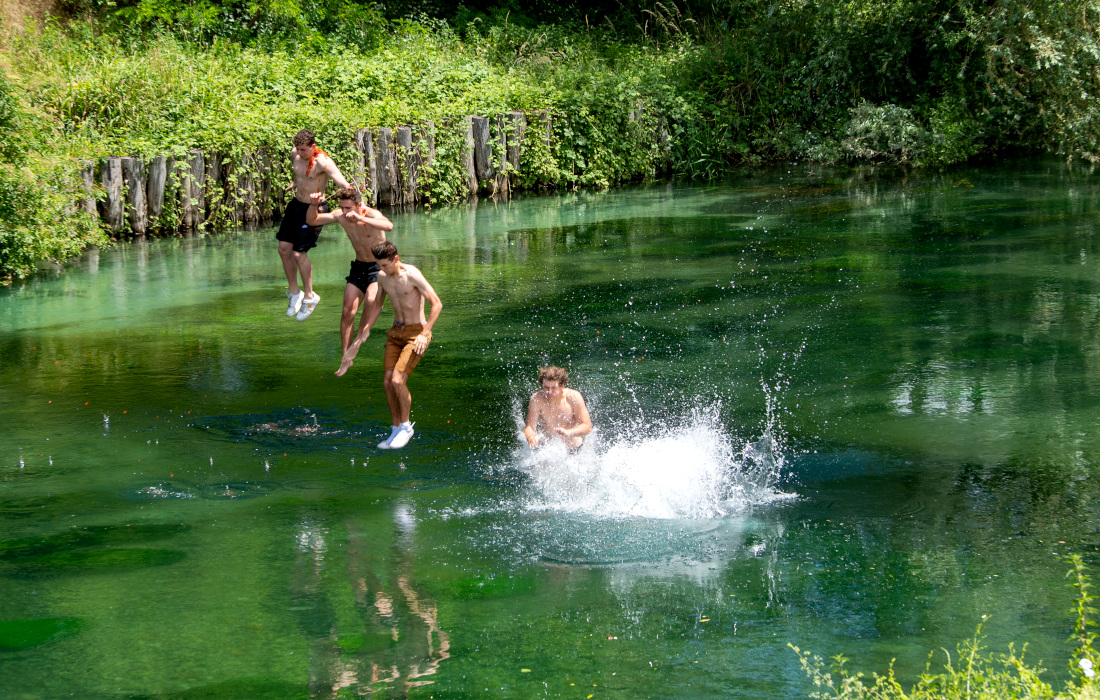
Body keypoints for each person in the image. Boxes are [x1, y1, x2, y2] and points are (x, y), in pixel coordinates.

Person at [342, 241, 442, 449]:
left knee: (398, 380)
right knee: (387, 381)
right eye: (379, 265)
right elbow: (378, 304)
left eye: (385, 265)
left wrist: (425, 334)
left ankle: (406, 427)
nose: (381, 269)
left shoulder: (412, 274)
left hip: (416, 333)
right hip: (396, 332)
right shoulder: (382, 277)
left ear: (396, 259)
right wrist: (366, 329)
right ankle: (395, 428)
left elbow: (437, 303)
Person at [305, 187, 394, 374]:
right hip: (359, 266)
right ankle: (346, 356)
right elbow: (312, 220)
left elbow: (389, 226)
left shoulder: (371, 214)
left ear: (359, 205)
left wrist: (361, 218)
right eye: (342, 207)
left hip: (378, 268)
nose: (345, 212)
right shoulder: (340, 216)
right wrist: (314, 205)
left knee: (371, 300)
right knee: (347, 311)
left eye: (348, 208)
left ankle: (359, 340)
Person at [277, 129, 351, 321]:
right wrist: (295, 183)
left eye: (303, 150)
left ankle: (310, 297)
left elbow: (343, 184)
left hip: (314, 208)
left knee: (298, 253)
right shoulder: (296, 154)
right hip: (296, 206)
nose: (299, 153)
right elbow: (300, 174)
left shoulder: (323, 162)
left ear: (313, 146)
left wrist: (354, 206)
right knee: (284, 248)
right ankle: (295, 293)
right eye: (298, 149)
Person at [524, 366, 592, 451]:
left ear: (562, 385)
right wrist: (531, 438)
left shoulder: (573, 397)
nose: (549, 391)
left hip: (575, 450)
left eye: (553, 388)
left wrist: (569, 432)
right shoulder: (536, 399)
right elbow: (530, 427)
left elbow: (587, 426)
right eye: (546, 387)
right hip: (549, 451)